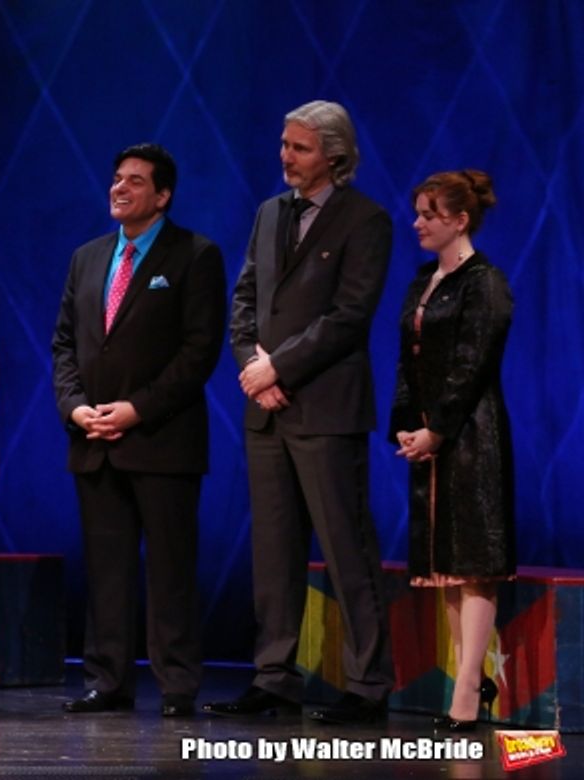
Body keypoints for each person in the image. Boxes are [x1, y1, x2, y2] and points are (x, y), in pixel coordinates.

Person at [207, 100, 394, 724]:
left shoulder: (365, 220)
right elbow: (245, 300)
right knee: (274, 550)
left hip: (326, 408)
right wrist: (253, 370)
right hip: (268, 410)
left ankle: (369, 683)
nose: (285, 156)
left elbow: (349, 316)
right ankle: (274, 676)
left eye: (300, 148)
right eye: (284, 145)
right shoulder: (268, 214)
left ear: (334, 157)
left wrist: (278, 367)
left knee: (347, 548)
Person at [52, 143, 226, 717]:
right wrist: (76, 407)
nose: (119, 188)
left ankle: (177, 686)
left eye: (134, 181)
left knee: (171, 570)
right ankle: (108, 681)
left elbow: (198, 353)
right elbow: (64, 346)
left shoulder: (195, 255)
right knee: (106, 571)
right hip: (94, 441)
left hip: (162, 441)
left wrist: (136, 409)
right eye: (116, 178)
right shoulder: (87, 258)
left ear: (163, 194)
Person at [392, 170, 514, 732]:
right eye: (417, 212)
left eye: (428, 213)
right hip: (429, 438)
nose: (417, 223)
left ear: (459, 221)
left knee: (472, 563)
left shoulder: (484, 282)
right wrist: (404, 425)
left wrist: (439, 429)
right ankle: (467, 680)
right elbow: (407, 361)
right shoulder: (423, 280)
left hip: (470, 436)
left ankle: (467, 693)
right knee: (443, 565)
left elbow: (472, 366)